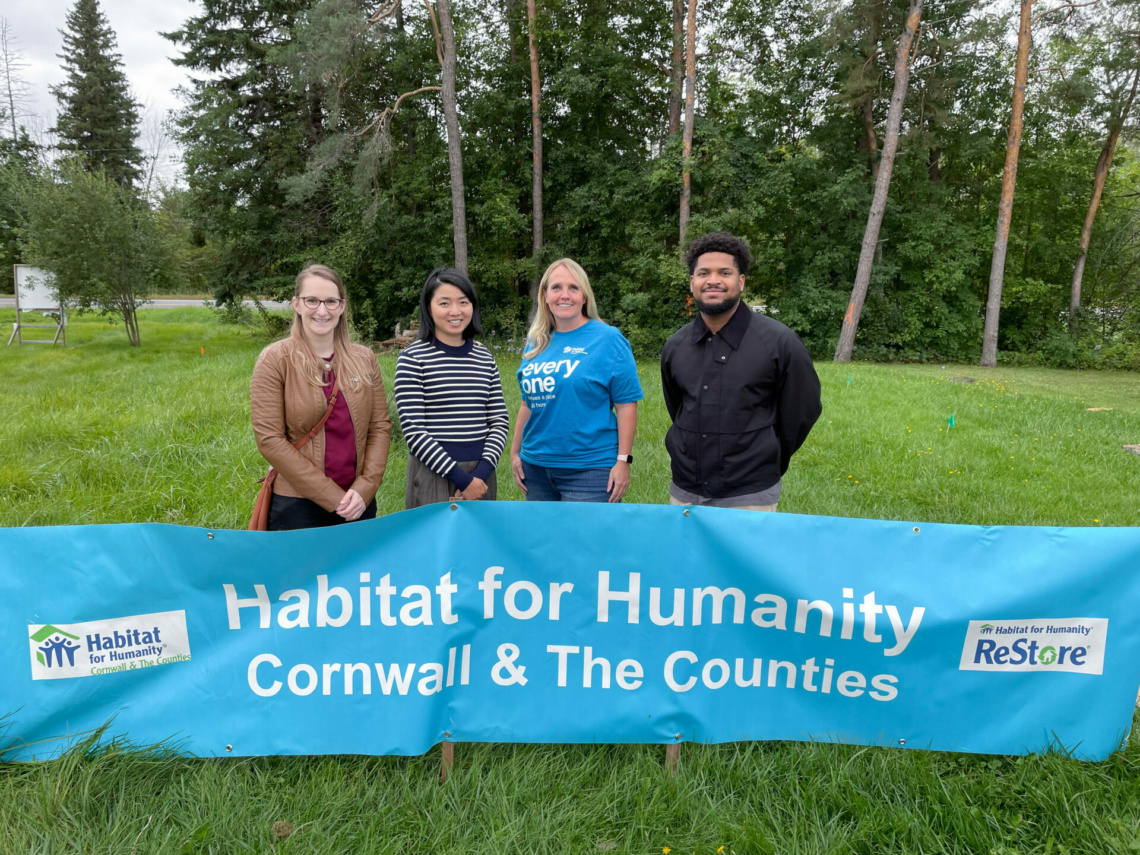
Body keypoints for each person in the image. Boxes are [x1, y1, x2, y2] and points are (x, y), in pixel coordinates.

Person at [661, 232, 821, 511]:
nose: (713, 280)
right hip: (686, 488)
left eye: (724, 272)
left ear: (741, 281)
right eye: (703, 273)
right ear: (692, 283)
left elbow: (801, 412)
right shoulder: (676, 346)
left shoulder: (780, 342)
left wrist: (766, 456)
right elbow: (677, 408)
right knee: (689, 557)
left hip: (750, 493)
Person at [250, 264, 391, 530]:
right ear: (296, 304)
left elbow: (379, 427)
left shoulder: (365, 359)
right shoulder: (275, 360)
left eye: (331, 301)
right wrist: (333, 498)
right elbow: (269, 440)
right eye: (312, 300)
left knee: (356, 573)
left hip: (358, 501)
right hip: (298, 506)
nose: (322, 310)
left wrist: (366, 487)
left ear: (342, 306)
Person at [510, 258, 643, 503]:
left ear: (584, 296)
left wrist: (623, 461)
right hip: (536, 467)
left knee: (587, 542)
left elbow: (626, 405)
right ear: (545, 295)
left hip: (590, 468)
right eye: (556, 288)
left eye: (573, 288)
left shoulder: (608, 339)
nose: (565, 295)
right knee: (545, 541)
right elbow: (527, 403)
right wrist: (516, 452)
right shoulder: (536, 341)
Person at [394, 268, 510, 509]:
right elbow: (414, 431)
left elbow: (499, 421)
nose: (455, 311)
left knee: (477, 546)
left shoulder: (484, 357)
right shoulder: (413, 358)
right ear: (429, 308)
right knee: (432, 545)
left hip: (481, 476)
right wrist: (461, 479)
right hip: (432, 474)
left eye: (463, 302)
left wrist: (480, 474)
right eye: (444, 303)